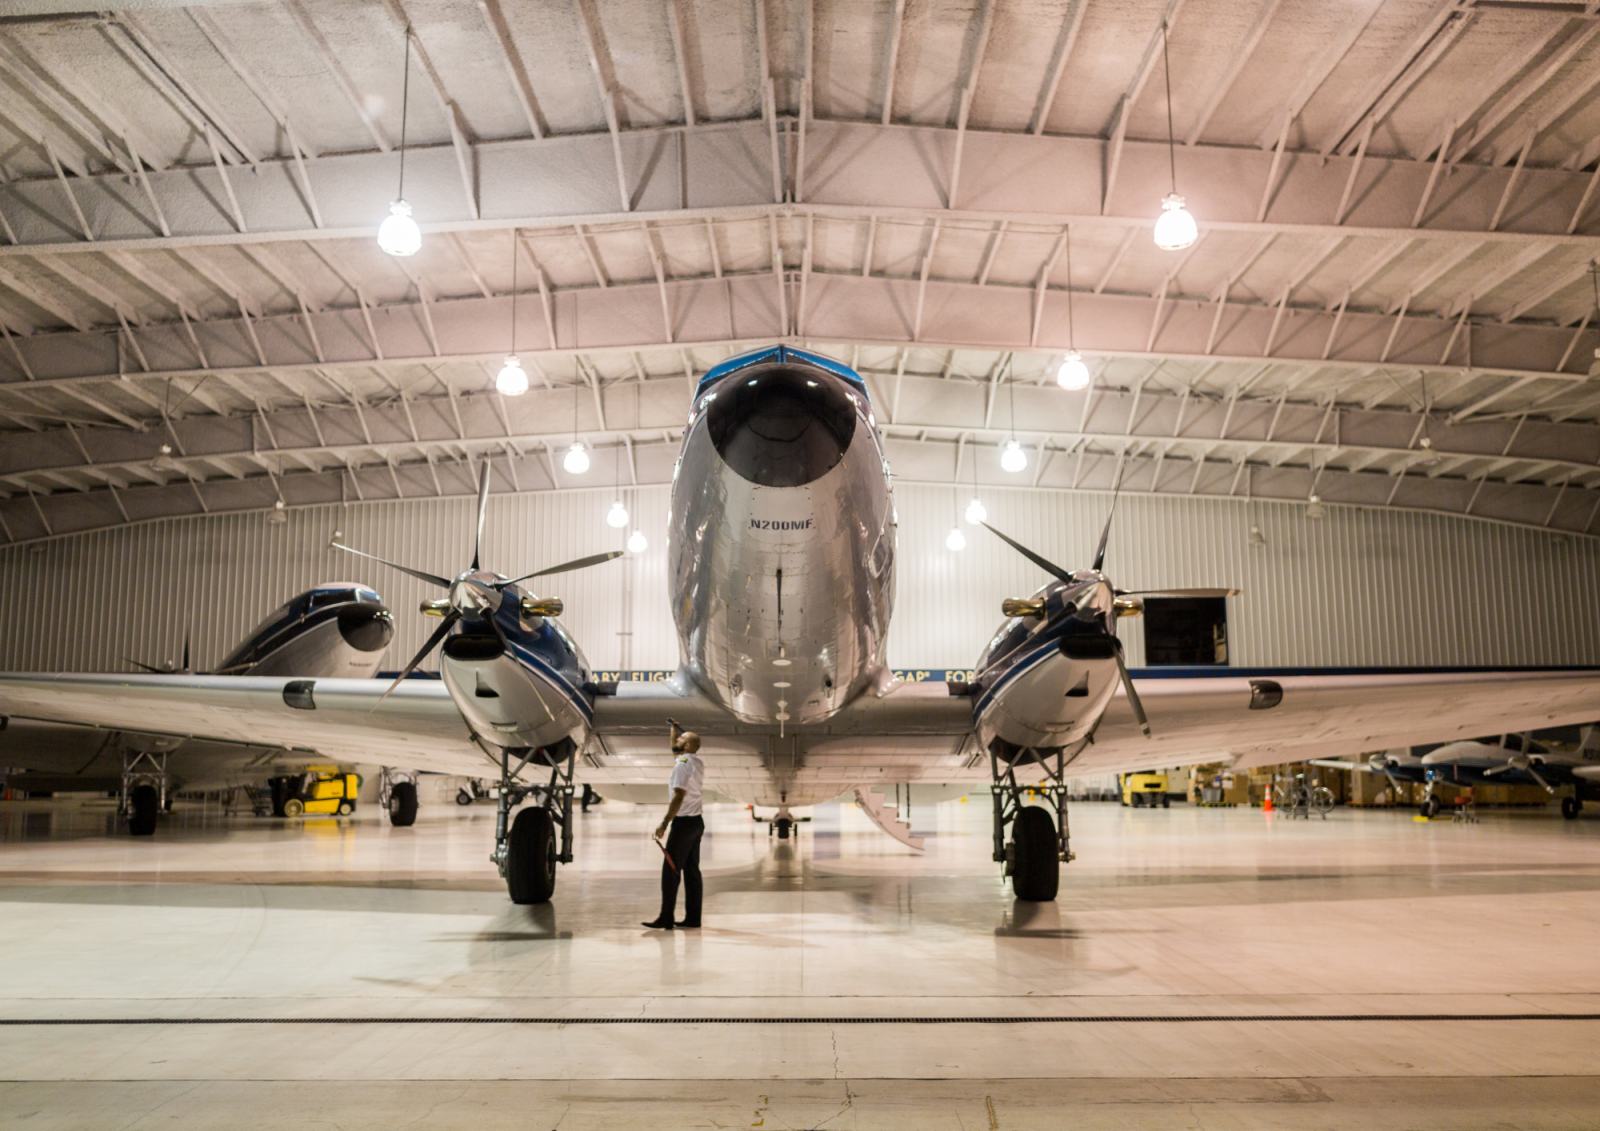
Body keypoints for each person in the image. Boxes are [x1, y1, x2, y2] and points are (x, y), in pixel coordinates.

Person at [643, 720, 704, 930]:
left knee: (670, 871)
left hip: (683, 824)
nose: (677, 740)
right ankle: (693, 918)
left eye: (681, 738)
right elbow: (676, 751)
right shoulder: (695, 761)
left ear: (687, 746)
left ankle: (666, 917)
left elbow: (678, 796)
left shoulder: (682, 766)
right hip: (696, 823)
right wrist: (673, 731)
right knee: (692, 871)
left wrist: (664, 823)